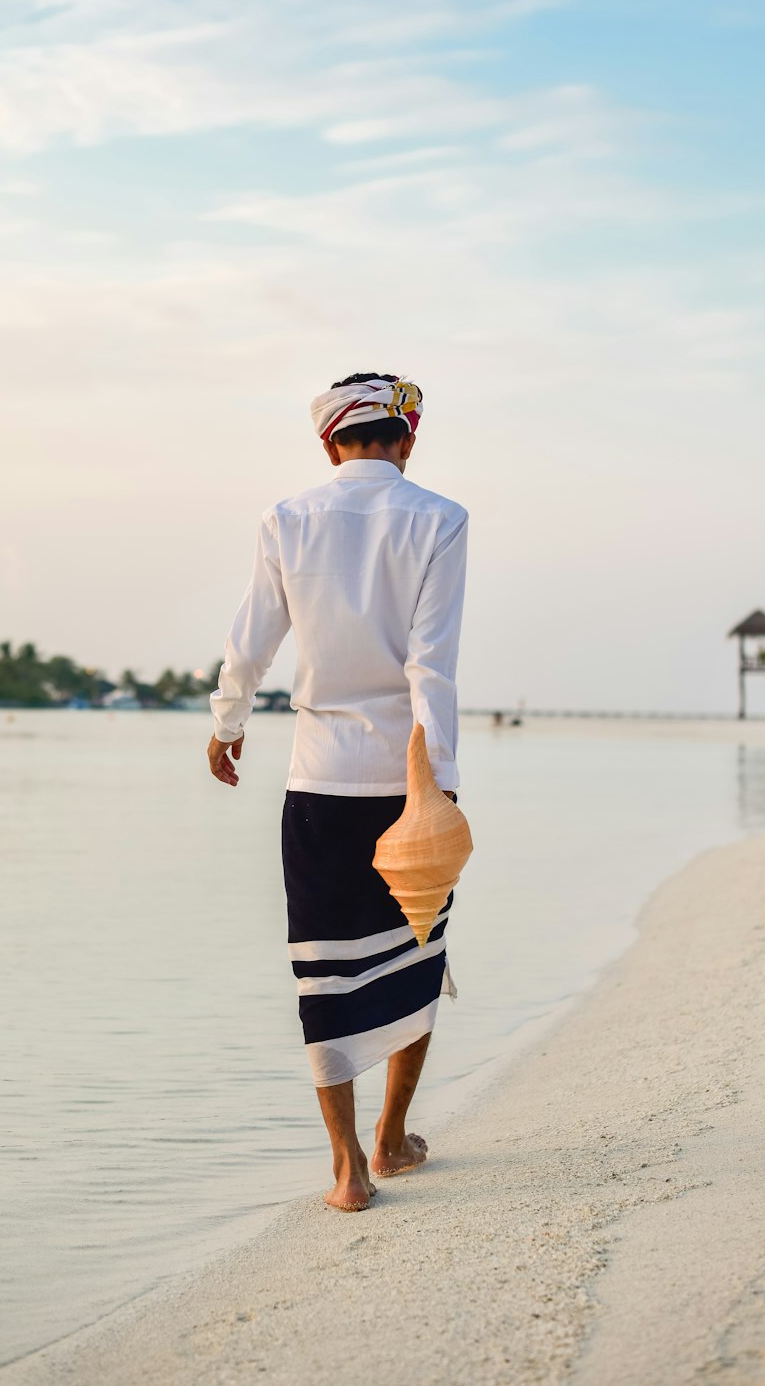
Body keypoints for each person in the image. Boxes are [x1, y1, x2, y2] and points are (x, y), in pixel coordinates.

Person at [207, 373, 468, 1212]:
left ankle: (348, 1166)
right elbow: (432, 664)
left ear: (329, 444)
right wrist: (445, 786)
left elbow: (251, 639)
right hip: (407, 780)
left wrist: (227, 719)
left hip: (317, 781)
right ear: (408, 439)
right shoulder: (441, 519)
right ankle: (394, 1138)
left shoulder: (287, 519)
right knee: (415, 958)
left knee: (324, 972)